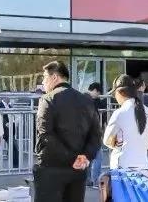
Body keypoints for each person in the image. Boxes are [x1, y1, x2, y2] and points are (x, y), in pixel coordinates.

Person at [32, 60, 101, 202]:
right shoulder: (86, 100)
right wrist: (85, 156)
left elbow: (45, 134)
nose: (43, 82)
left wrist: (72, 158)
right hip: (78, 170)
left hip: (52, 168)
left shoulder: (48, 99)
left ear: (54, 77)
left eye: (44, 77)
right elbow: (96, 135)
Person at [102, 75, 148, 173]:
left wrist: (115, 142)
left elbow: (107, 140)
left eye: (114, 94)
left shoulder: (120, 113)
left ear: (120, 92)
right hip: (143, 165)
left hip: (123, 166)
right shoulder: (147, 110)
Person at [85, 82, 107, 189]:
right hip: (92, 132)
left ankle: (88, 180)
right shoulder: (89, 100)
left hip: (87, 132)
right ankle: (96, 180)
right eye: (98, 93)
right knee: (98, 156)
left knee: (88, 156)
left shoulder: (84, 99)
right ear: (95, 90)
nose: (98, 95)